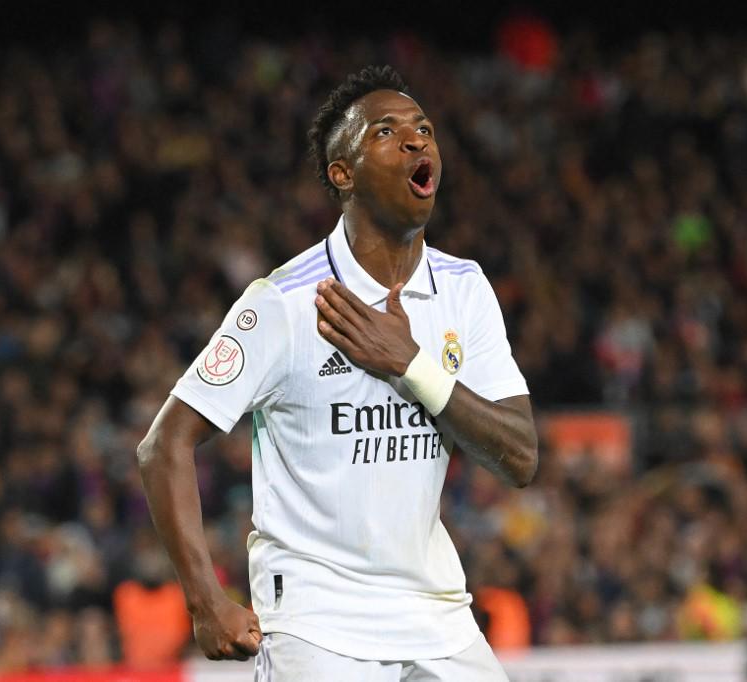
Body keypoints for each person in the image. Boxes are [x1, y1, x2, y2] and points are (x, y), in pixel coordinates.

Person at [137, 65, 537, 681]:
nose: (416, 141)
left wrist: (411, 367)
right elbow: (163, 443)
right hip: (316, 623)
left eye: (423, 128)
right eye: (386, 131)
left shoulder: (464, 289)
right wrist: (204, 599)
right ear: (342, 174)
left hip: (436, 615)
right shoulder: (284, 303)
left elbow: (520, 456)